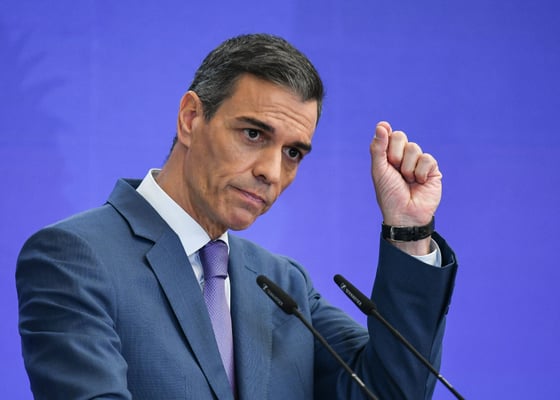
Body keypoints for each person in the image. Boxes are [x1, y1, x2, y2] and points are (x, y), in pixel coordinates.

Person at [16, 33, 458, 400]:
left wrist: (408, 230)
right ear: (191, 118)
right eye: (253, 134)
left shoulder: (284, 284)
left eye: (293, 153)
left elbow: (393, 392)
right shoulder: (74, 257)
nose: (272, 172)